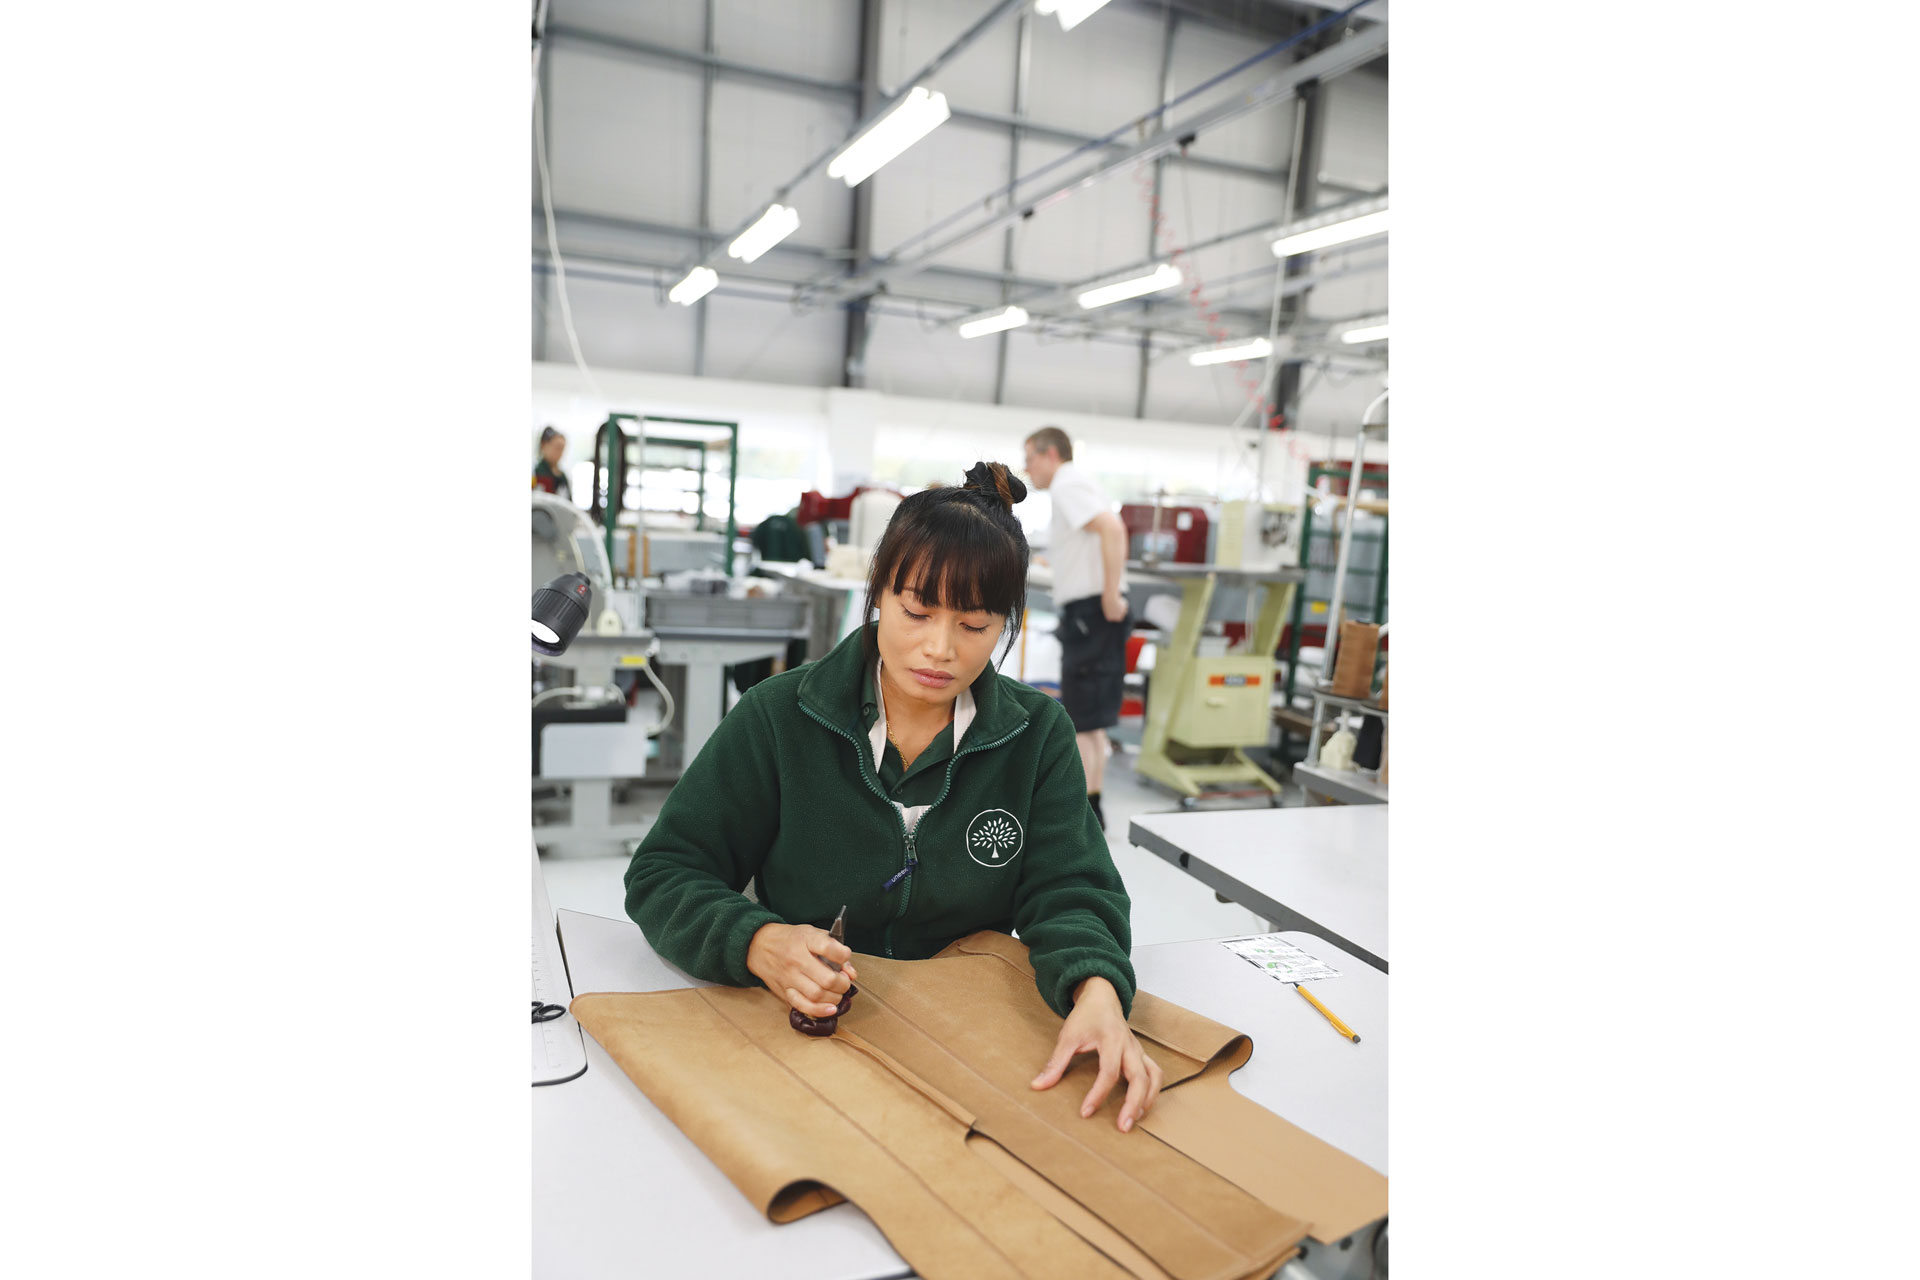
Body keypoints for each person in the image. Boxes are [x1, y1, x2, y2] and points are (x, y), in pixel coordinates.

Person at [626, 461, 1163, 1132]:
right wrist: (757, 941)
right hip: (797, 1032)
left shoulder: (1036, 736)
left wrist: (1098, 990)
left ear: (1007, 624)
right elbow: (664, 873)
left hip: (963, 1038)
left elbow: (1071, 891)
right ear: (878, 593)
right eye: (916, 612)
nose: (938, 650)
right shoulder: (780, 717)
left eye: (975, 626)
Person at [1022, 427, 1130, 832]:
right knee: (1092, 719)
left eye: (1030, 459)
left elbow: (1113, 529)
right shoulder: (1076, 485)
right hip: (1089, 611)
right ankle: (1092, 806)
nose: (1028, 469)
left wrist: (1109, 594)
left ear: (1050, 455)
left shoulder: (1068, 484)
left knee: (1083, 719)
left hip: (1091, 612)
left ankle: (1088, 813)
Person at [532, 426, 572, 501]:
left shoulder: (562, 477)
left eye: (562, 449)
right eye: (557, 447)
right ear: (543, 445)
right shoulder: (535, 472)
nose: (560, 453)